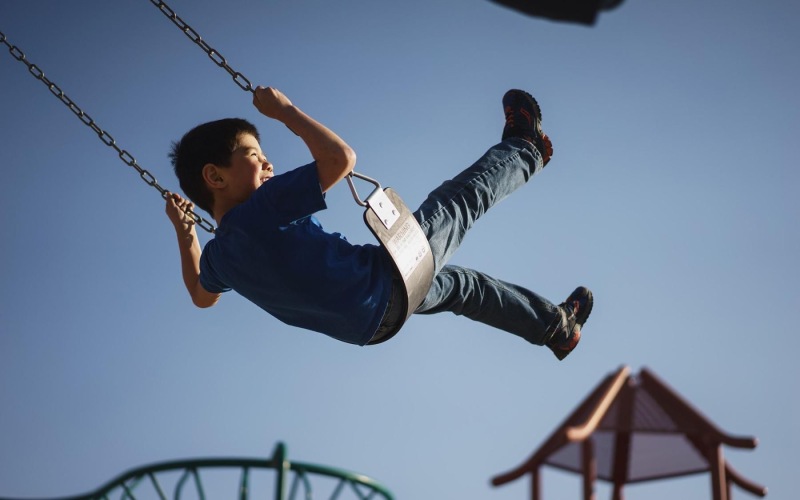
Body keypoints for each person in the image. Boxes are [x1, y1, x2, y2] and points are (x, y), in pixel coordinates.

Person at [165, 87, 592, 360]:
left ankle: (555, 327)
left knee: (465, 288)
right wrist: (286, 112)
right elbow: (339, 160)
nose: (267, 161)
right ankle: (526, 149)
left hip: (370, 324)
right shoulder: (261, 210)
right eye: (253, 154)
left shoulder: (220, 256)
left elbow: (201, 296)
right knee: (456, 204)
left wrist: (187, 236)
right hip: (382, 284)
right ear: (215, 177)